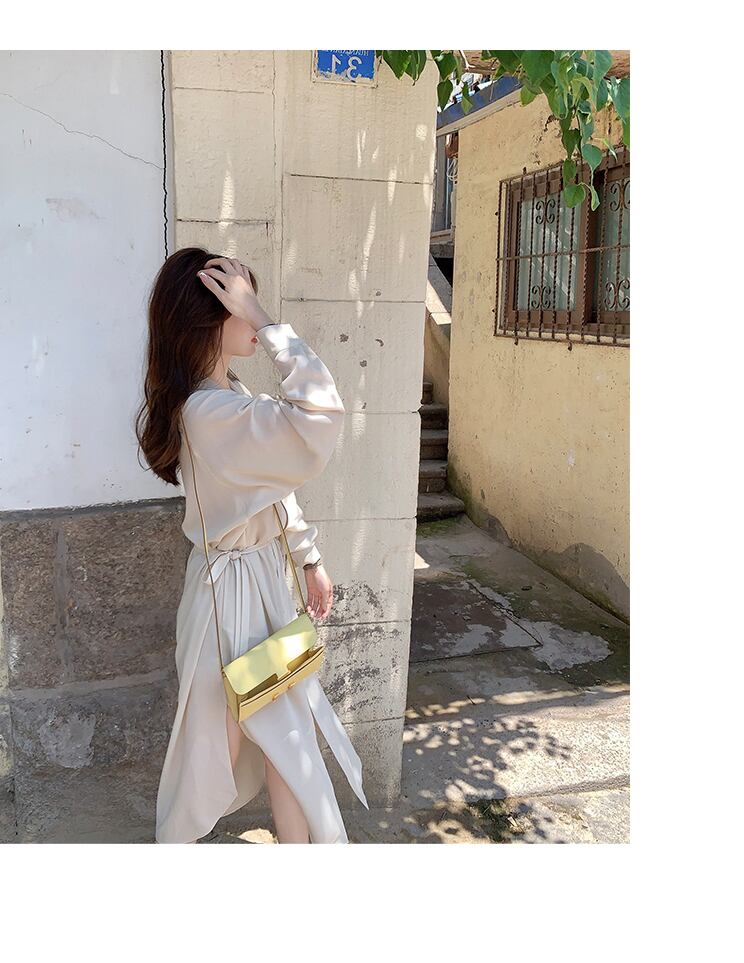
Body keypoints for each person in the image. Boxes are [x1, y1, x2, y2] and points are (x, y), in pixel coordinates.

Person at [136, 248, 369, 843]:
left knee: (287, 739)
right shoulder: (210, 412)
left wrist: (308, 557)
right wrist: (267, 322)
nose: (251, 314)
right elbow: (319, 414)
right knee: (214, 750)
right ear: (211, 317)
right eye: (239, 303)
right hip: (228, 601)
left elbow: (272, 488)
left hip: (260, 584)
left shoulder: (227, 396)